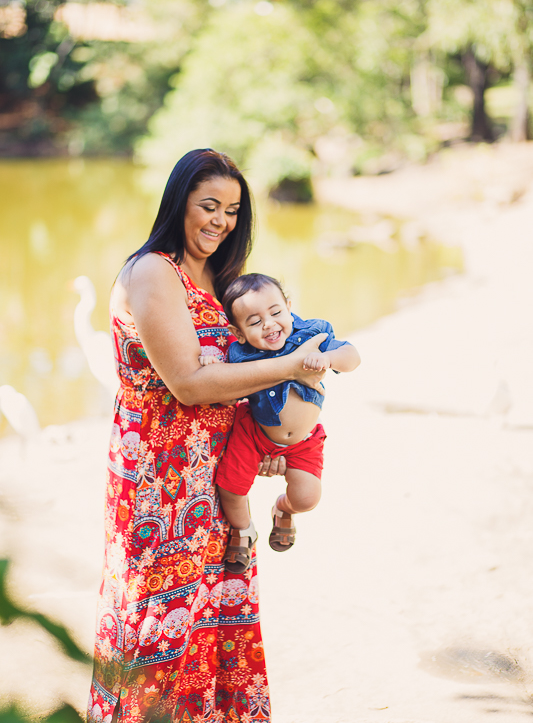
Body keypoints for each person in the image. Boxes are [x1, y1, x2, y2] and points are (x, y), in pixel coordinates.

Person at [87, 149, 328, 723]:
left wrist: (267, 439)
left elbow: (239, 367)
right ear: (180, 204)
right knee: (156, 625)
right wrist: (295, 364)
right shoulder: (153, 272)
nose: (220, 221)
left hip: (218, 477)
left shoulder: (218, 276)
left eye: (232, 210)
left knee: (215, 618)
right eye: (209, 206)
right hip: (160, 481)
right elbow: (191, 385)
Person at [199, 273, 360, 573]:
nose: (270, 324)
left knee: (308, 497)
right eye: (255, 322)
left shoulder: (313, 334)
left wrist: (331, 359)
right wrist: (214, 369)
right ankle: (243, 528)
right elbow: (226, 399)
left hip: (304, 440)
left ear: (288, 306)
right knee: (231, 488)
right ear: (240, 332)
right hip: (255, 432)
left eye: (275, 313)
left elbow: (353, 357)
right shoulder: (241, 355)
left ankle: (283, 509)